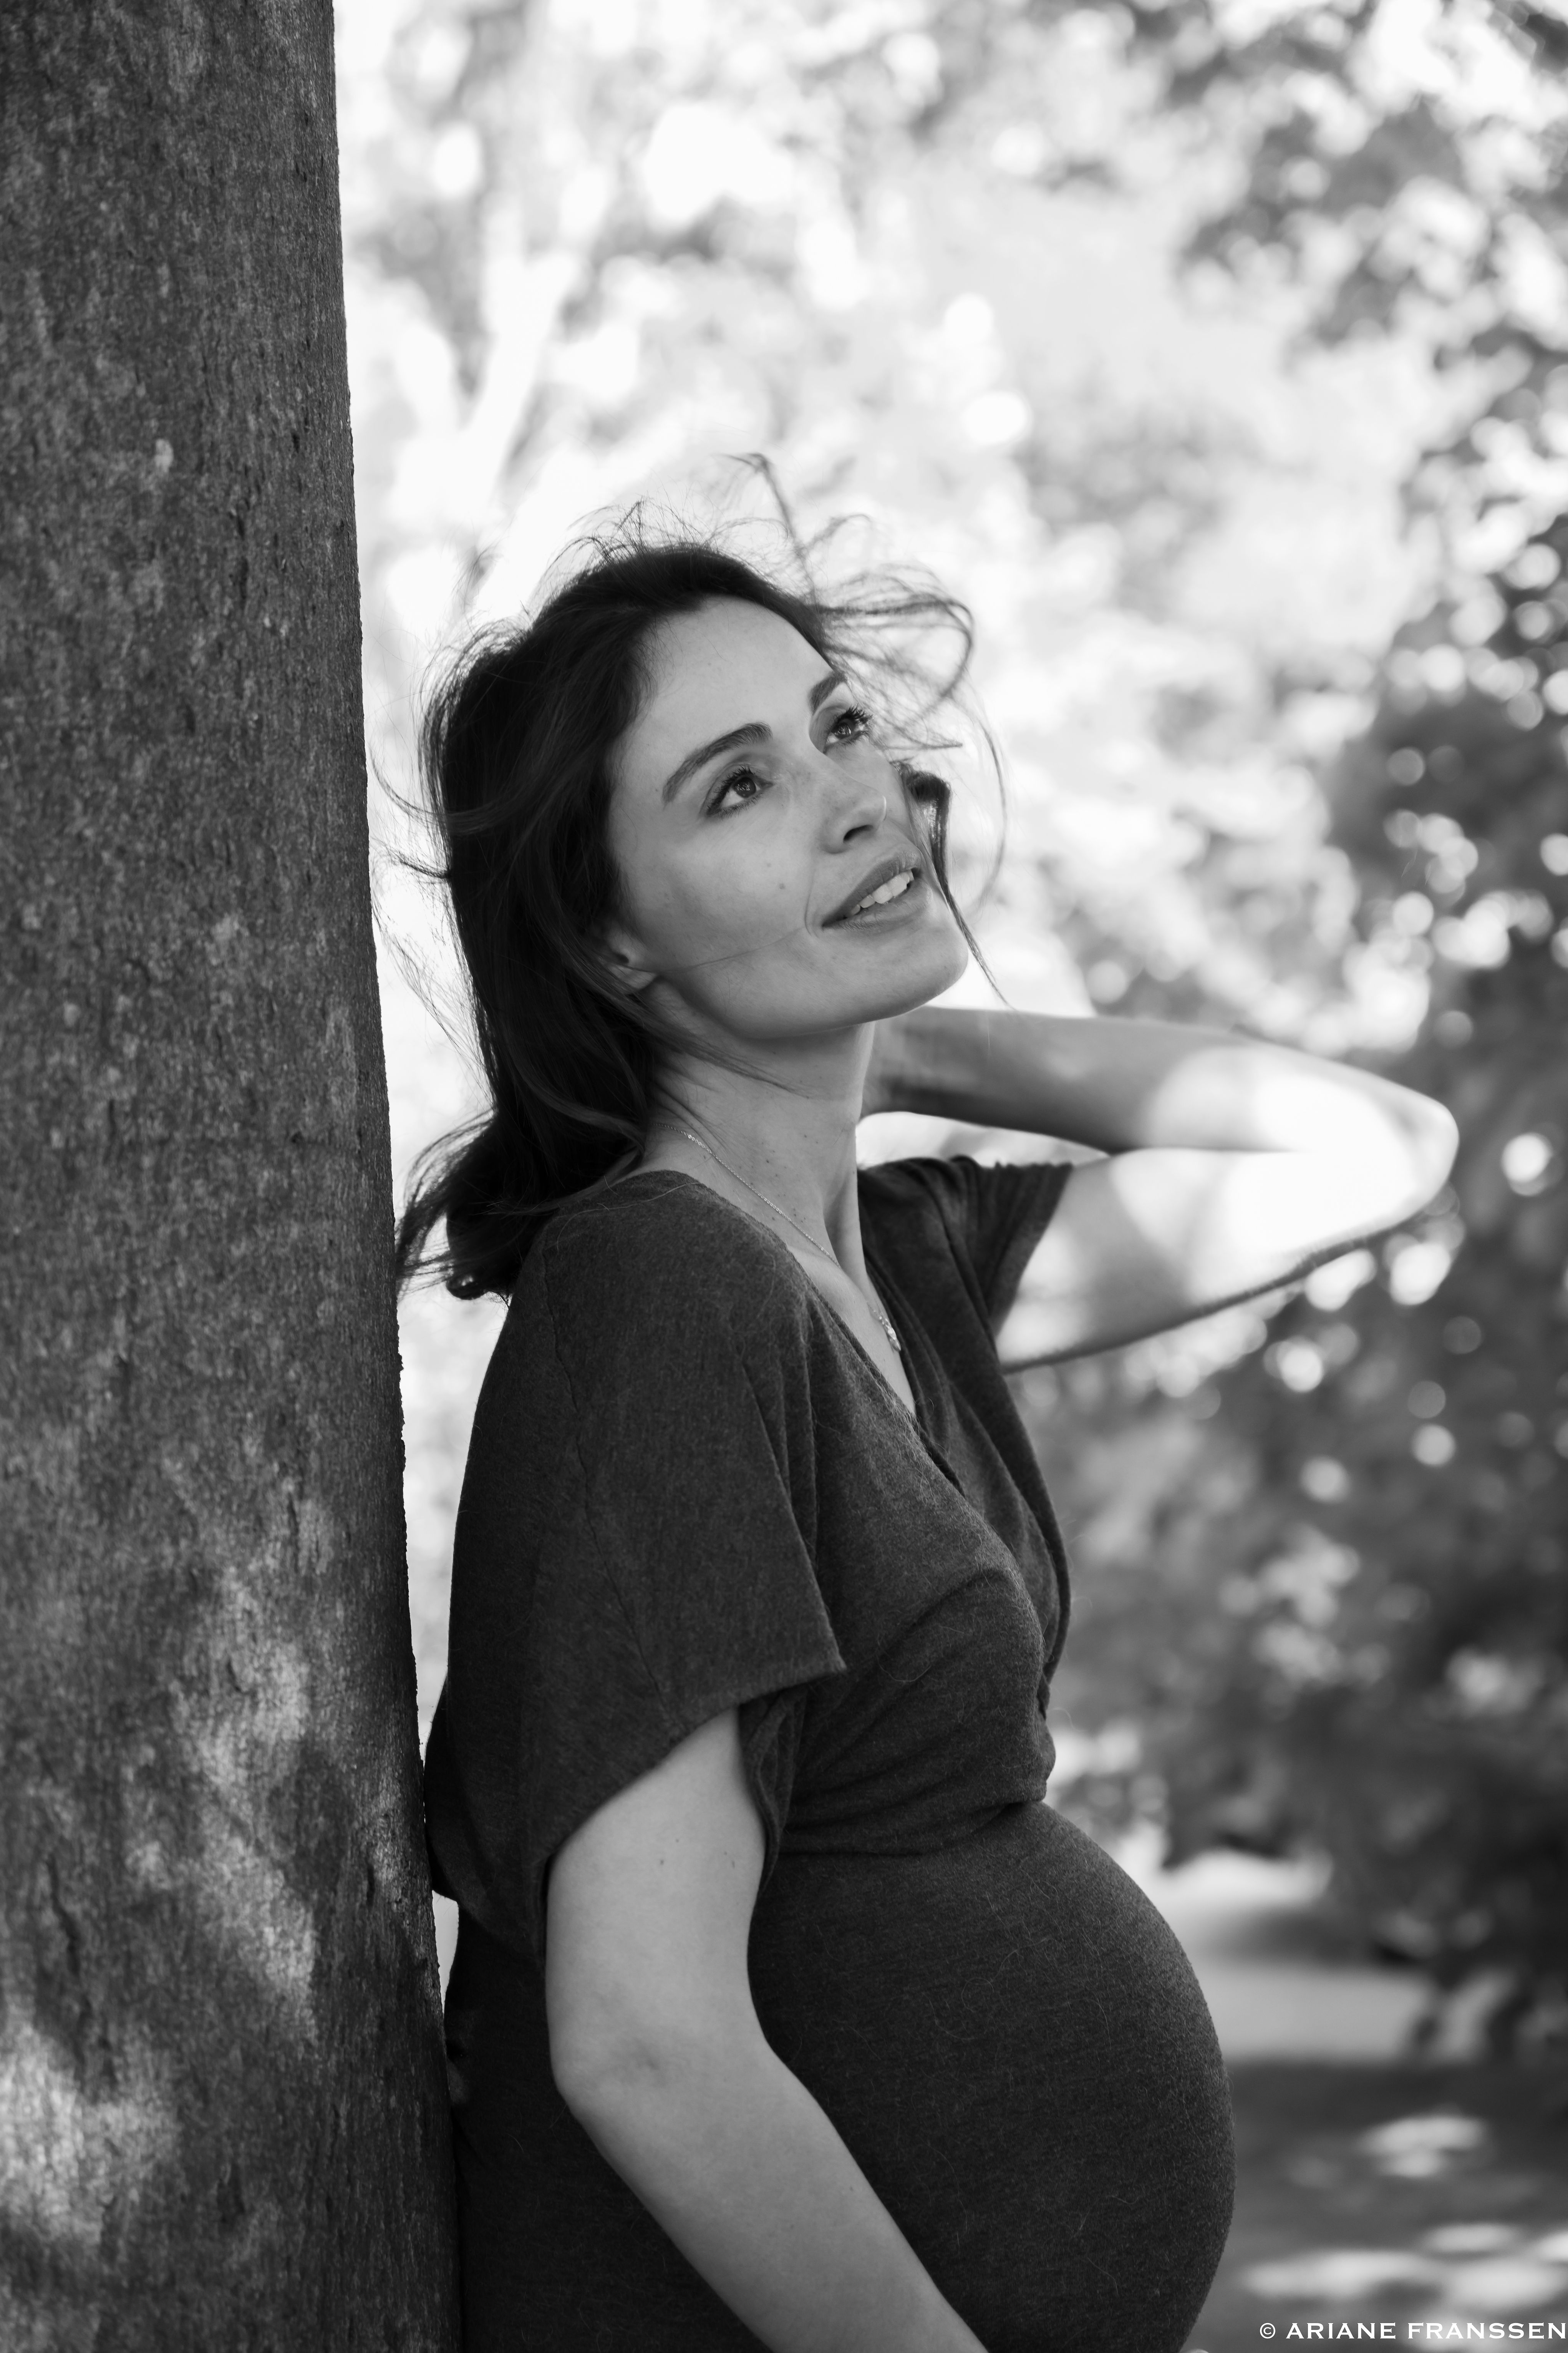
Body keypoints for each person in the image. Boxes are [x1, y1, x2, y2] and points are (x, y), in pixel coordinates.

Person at [400, 524, 1458, 2353]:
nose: (852, 795)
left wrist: (904, 1045)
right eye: (739, 785)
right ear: (606, 937)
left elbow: (1375, 1153)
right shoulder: (661, 1293)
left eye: (839, 728)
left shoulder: (894, 1261)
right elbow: (644, 2039)